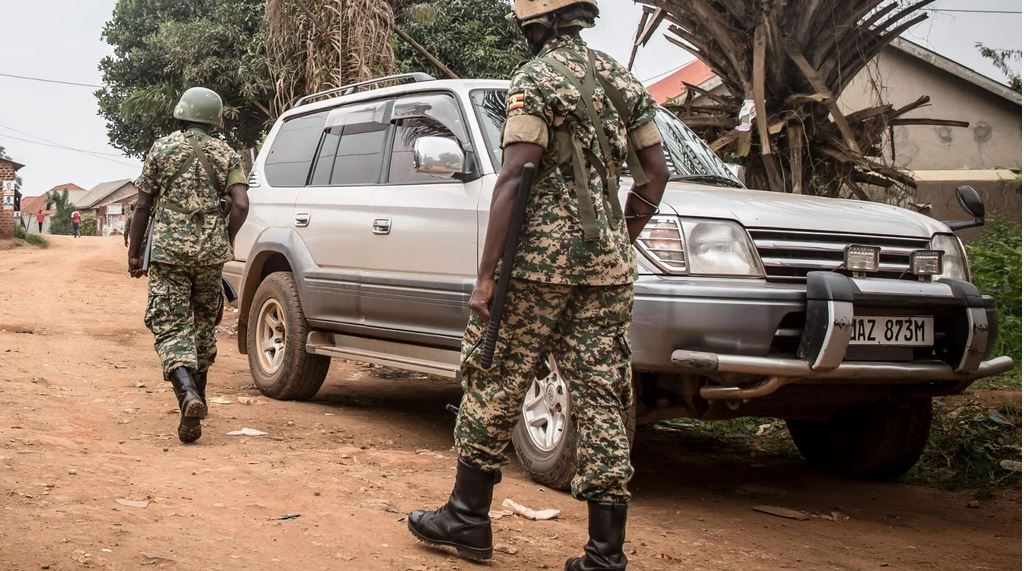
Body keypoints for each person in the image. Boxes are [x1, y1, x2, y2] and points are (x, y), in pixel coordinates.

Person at [406, 1, 669, 569]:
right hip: (608, 273)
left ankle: (467, 517)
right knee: (602, 397)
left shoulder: (536, 79)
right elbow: (656, 174)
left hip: (536, 270)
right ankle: (605, 553)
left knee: (495, 376)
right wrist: (619, 238)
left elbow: (513, 178)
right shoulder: (623, 81)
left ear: (540, 23)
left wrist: (485, 275)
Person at [127, 87, 249, 444]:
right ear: (214, 118)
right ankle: (197, 405)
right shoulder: (226, 153)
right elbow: (241, 204)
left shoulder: (162, 148)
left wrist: (134, 252)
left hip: (168, 254)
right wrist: (225, 237)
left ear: (182, 113)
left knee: (169, 323)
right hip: (210, 255)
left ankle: (187, 395)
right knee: (203, 325)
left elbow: (142, 205)